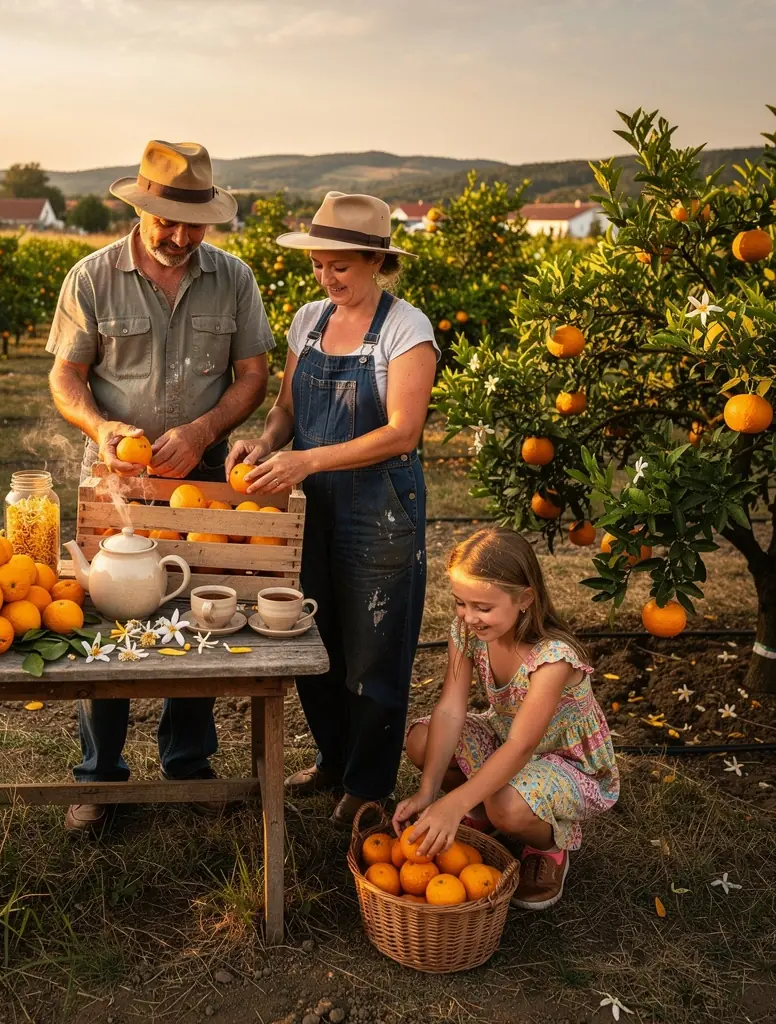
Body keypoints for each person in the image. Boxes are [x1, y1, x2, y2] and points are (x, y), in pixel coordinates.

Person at [46, 140, 275, 832]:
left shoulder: (232, 279)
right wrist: (101, 427)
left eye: (193, 224)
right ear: (143, 208)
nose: (179, 238)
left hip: (201, 479)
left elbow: (252, 377)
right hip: (116, 476)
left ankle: (187, 762)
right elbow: (65, 377)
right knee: (110, 616)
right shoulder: (93, 277)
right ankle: (100, 775)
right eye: (166, 223)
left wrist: (204, 432)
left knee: (198, 609)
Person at [227, 191, 437, 824]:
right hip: (310, 504)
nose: (326, 278)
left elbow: (403, 431)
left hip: (379, 507)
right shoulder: (309, 320)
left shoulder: (406, 328)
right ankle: (331, 760)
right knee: (310, 635)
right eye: (318, 264)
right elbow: (288, 409)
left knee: (375, 645)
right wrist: (263, 443)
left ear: (376, 260)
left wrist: (310, 460)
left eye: (339, 266)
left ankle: (369, 784)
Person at [393, 527, 620, 910]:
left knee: (509, 804)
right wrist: (430, 791)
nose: (469, 617)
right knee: (422, 738)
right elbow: (451, 707)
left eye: (483, 607)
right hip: (506, 739)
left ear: (525, 599)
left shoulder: (552, 659)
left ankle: (547, 848)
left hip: (566, 762)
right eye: (460, 603)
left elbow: (522, 745)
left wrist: (454, 803)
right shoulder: (465, 632)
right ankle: (482, 812)